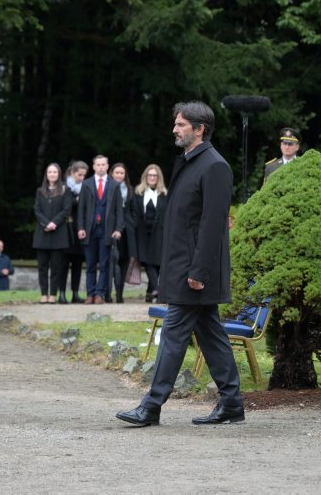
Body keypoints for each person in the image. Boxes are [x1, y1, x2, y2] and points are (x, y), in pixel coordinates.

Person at [116, 101, 244, 427]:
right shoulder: (188, 162)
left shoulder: (215, 166)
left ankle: (151, 405)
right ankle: (231, 404)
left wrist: (199, 272)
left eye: (182, 124)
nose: (175, 129)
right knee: (212, 335)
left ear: (200, 129)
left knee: (173, 334)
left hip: (195, 271)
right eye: (176, 124)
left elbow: (212, 225)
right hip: (183, 268)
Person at [76, 155, 123, 304]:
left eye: (103, 164)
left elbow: (119, 210)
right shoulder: (87, 184)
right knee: (90, 264)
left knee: (104, 264)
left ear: (107, 166)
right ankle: (90, 294)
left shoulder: (114, 185)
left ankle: (100, 294)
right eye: (98, 165)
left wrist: (118, 229)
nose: (101, 167)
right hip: (90, 230)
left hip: (107, 230)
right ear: (94, 166)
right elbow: (81, 209)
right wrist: (81, 227)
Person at [32, 163, 72, 303]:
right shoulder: (40, 191)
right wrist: (46, 223)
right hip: (42, 233)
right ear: (46, 174)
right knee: (42, 266)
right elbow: (37, 210)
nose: (52, 174)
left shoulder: (65, 190)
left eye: (55, 172)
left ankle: (53, 294)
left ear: (59, 174)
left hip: (58, 233)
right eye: (50, 172)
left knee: (56, 267)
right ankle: (43, 294)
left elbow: (66, 209)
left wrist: (54, 223)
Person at [131, 164, 167, 303]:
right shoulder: (137, 194)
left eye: (155, 175)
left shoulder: (164, 195)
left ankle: (149, 293)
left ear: (159, 178)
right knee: (148, 262)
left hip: (158, 234)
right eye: (149, 175)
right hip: (142, 234)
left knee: (156, 263)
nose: (152, 178)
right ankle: (158, 290)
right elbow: (134, 213)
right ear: (145, 177)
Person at [61, 160, 88, 304]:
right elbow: (65, 207)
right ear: (72, 173)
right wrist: (75, 200)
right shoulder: (64, 187)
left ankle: (75, 293)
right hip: (66, 229)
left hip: (79, 230)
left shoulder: (85, 188)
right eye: (79, 175)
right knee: (63, 264)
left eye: (84, 175)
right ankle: (62, 294)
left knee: (77, 263)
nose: (82, 178)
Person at [108, 162, 135, 303]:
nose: (119, 175)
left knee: (124, 261)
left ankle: (120, 293)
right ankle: (107, 293)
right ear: (112, 173)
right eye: (116, 172)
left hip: (127, 231)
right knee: (111, 261)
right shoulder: (107, 188)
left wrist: (132, 224)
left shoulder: (130, 190)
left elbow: (133, 210)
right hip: (112, 229)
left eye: (121, 173)